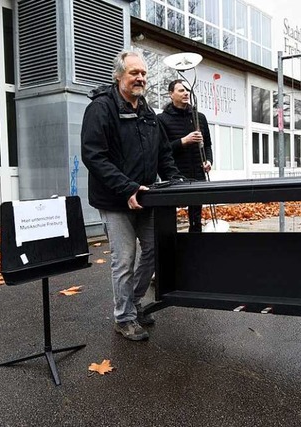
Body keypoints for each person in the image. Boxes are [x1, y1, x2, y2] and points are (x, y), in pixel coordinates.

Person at [81, 50, 182, 341]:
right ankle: (123, 317)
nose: (140, 78)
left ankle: (134, 302)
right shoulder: (101, 108)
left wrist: (174, 179)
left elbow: (163, 153)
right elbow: (94, 156)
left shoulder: (147, 112)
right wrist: (127, 188)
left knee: (155, 250)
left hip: (147, 198)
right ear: (118, 76)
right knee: (124, 260)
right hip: (115, 200)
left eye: (143, 73)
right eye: (133, 73)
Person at [157, 79, 213, 232]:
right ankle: (173, 249)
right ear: (171, 94)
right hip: (175, 175)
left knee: (196, 220)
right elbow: (160, 150)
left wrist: (208, 161)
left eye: (187, 90)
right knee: (170, 218)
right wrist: (183, 141)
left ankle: (196, 247)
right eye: (181, 90)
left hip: (198, 174)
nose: (186, 93)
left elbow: (207, 144)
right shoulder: (161, 119)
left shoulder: (199, 117)